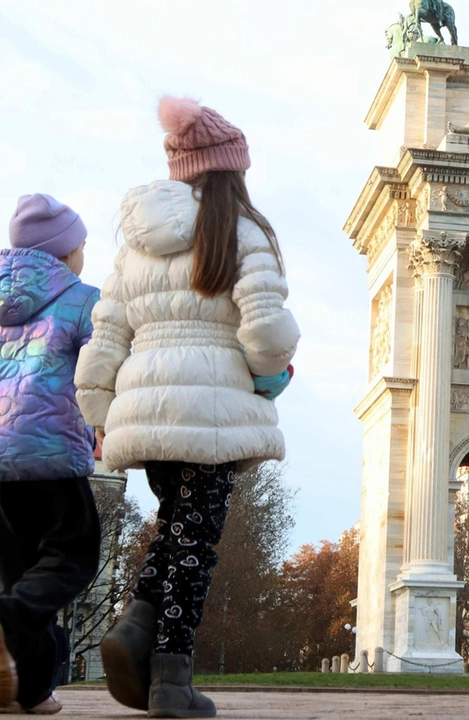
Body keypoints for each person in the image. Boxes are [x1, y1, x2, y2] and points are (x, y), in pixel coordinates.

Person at [82, 96, 299, 719]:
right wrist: (273, 373)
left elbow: (107, 337)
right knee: (195, 542)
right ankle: (171, 678)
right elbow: (266, 336)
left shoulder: (134, 245)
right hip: (212, 410)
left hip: (146, 409)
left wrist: (97, 410)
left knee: (177, 526)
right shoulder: (243, 231)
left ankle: (134, 629)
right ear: (230, 168)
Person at [0, 194, 102, 715]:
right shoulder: (85, 300)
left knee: (21, 576)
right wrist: (104, 424)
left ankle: (32, 692)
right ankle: (8, 619)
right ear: (65, 253)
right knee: (73, 556)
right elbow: (103, 369)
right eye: (81, 244)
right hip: (52, 452)